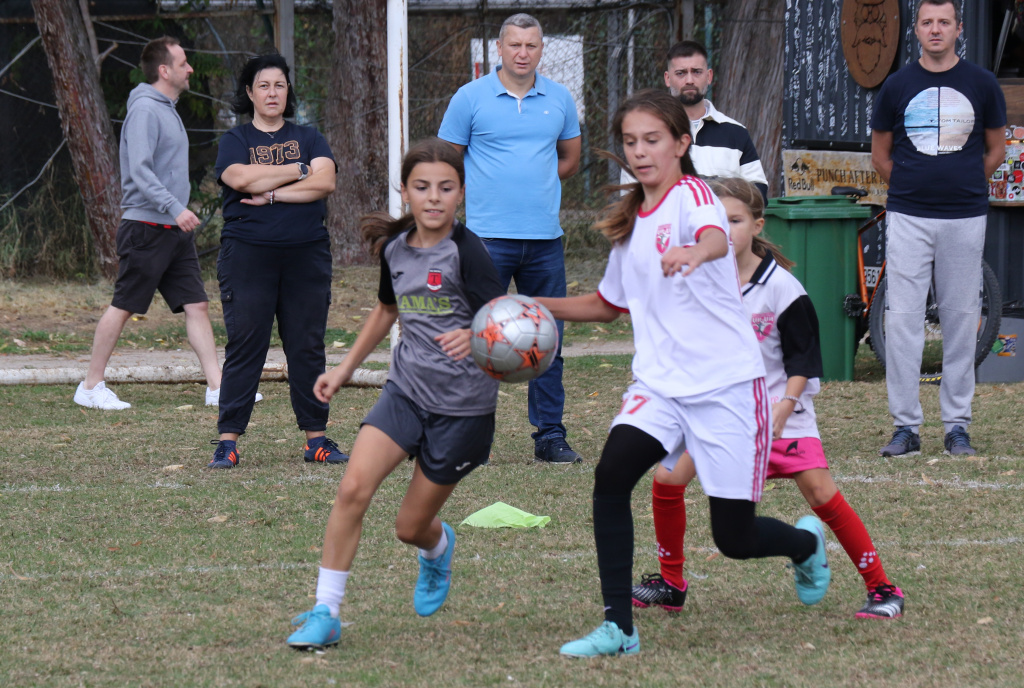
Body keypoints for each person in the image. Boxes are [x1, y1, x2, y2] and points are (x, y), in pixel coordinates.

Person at [535, 90, 830, 658]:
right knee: (612, 476)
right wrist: (531, 304)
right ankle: (619, 627)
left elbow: (716, 239)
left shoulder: (695, 196)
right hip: (660, 386)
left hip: (726, 388)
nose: (641, 152)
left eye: (653, 140)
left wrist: (695, 253)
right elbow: (605, 305)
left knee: (735, 537)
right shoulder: (632, 227)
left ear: (680, 144)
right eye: (630, 142)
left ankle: (801, 544)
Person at [631, 177, 904, 620]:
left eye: (735, 219)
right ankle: (671, 583)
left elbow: (804, 362)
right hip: (718, 411)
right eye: (714, 221)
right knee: (667, 481)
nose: (724, 228)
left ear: (757, 225)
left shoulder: (783, 290)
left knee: (819, 491)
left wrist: (786, 405)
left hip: (779, 410)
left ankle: (883, 588)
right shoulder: (697, 279)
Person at [285, 138, 505, 650]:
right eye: (422, 187)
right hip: (405, 392)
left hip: (463, 410)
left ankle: (438, 548)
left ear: (461, 195)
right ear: (404, 191)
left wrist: (475, 334)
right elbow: (386, 311)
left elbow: (508, 322)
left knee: (410, 528)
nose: (433, 198)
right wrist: (341, 371)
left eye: (445, 188)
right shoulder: (397, 249)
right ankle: (327, 611)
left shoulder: (468, 253)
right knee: (351, 490)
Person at [438, 13, 584, 464]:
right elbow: (447, 163)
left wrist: (534, 184)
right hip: (485, 241)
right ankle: (467, 437)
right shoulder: (469, 98)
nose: (523, 53)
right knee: (478, 339)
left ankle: (550, 436)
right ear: (498, 49)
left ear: (542, 49)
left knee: (547, 341)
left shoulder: (559, 98)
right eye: (515, 45)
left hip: (544, 240)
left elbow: (570, 158)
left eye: (532, 45)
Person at [74, 37, 239, 410]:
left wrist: (177, 215)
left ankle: (217, 386)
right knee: (124, 305)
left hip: (173, 230)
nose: (190, 68)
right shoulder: (146, 110)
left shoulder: (166, 107)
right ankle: (90, 386)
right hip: (147, 228)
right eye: (183, 63)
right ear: (164, 71)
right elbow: (140, 171)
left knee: (196, 305)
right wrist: (175, 208)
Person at [871, 0, 1006, 457]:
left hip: (965, 217)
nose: (935, 30)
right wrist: (913, 188)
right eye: (927, 22)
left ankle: (956, 426)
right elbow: (880, 155)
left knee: (961, 318)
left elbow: (995, 150)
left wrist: (964, 185)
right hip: (908, 216)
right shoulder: (897, 85)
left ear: (958, 29)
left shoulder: (983, 84)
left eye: (943, 22)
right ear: (916, 30)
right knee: (903, 319)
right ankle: (905, 427)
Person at [208, 54, 346, 469]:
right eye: (264, 86)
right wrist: (298, 171)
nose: (273, 93)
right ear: (250, 93)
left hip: (307, 253)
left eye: (280, 85)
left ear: (289, 92)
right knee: (246, 344)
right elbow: (240, 179)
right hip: (248, 254)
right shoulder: (236, 140)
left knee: (306, 347)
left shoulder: (310, 136)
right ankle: (228, 442)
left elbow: (326, 182)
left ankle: (316, 441)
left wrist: (272, 193)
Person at [620, 40, 768, 202]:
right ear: (668, 78)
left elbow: (758, 193)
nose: (689, 80)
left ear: (709, 76)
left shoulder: (736, 133)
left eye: (696, 72)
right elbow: (630, 198)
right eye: (681, 73)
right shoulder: (647, 132)